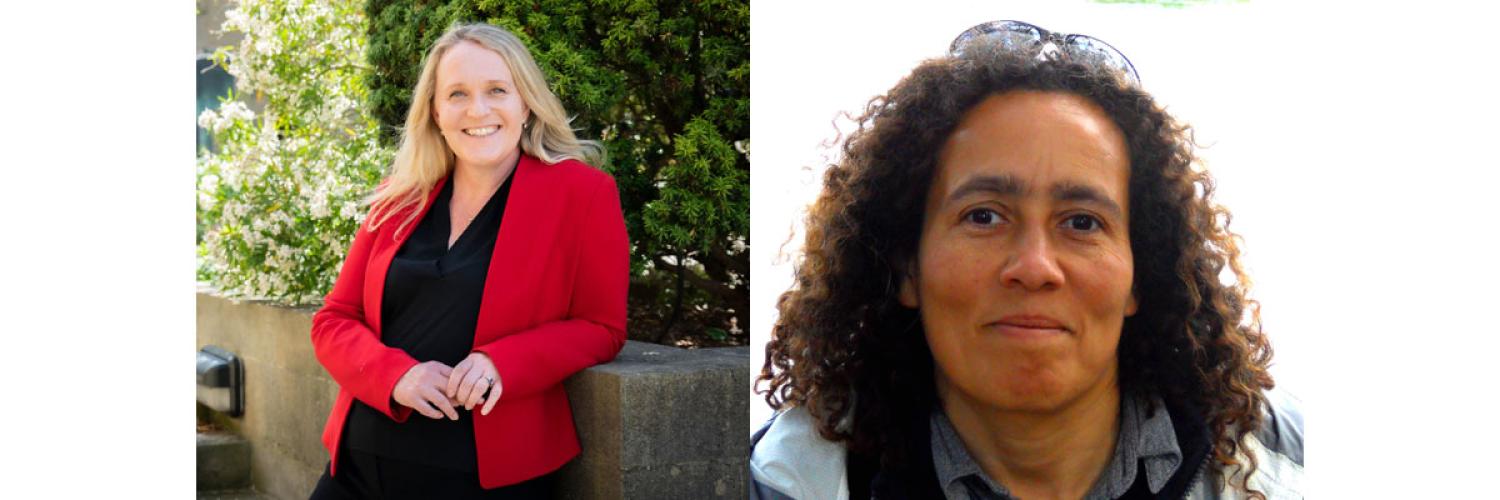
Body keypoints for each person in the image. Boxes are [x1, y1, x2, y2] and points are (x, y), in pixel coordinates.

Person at [751, 20, 1302, 499]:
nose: (1035, 267)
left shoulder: (1290, 466)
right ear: (908, 268)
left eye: (1082, 222)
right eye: (984, 216)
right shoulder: (784, 480)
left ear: (1140, 276)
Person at [308, 22, 628, 498]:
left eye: (497, 90)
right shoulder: (398, 198)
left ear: (525, 103)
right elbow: (334, 320)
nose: (477, 110)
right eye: (457, 94)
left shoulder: (582, 195)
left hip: (483, 475)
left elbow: (602, 327)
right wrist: (396, 374)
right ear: (435, 112)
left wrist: (503, 362)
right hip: (359, 464)